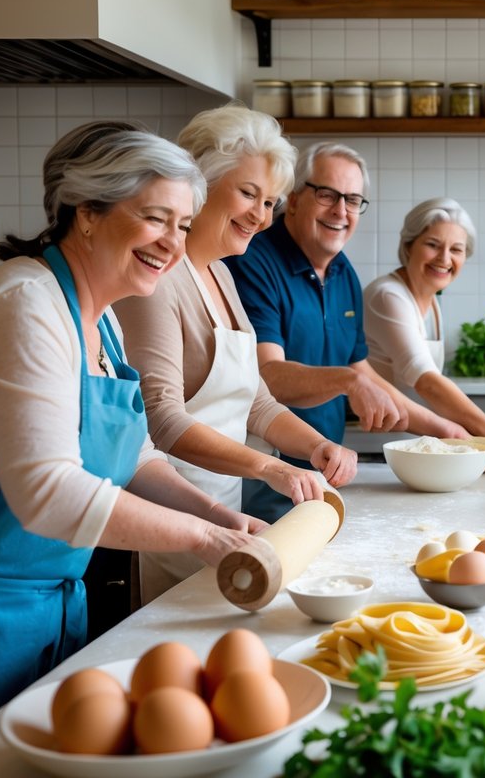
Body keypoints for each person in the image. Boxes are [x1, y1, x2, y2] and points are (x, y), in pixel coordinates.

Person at [0, 122, 267, 723]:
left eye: (183, 225)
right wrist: (205, 540)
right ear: (86, 211)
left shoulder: (101, 318)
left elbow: (131, 455)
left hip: (52, 611)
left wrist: (217, 515)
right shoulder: (26, 303)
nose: (174, 244)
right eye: (156, 218)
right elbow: (47, 494)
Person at [114, 105, 357, 603]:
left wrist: (314, 448)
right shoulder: (158, 283)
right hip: (175, 518)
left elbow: (257, 402)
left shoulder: (221, 274)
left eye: (270, 201)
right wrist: (271, 468)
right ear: (200, 184)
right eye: (248, 193)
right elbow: (160, 419)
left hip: (229, 515)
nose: (261, 216)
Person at [226, 142, 466, 523]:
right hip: (262, 475)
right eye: (327, 195)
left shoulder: (342, 271)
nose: (340, 211)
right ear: (295, 197)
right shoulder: (254, 261)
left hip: (322, 471)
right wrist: (349, 381)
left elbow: (361, 371)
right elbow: (268, 375)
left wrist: (444, 430)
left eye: (353, 200)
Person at [363, 198, 485, 437]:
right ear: (409, 246)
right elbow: (425, 380)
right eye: (433, 244)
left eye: (456, 249)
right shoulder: (388, 295)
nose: (444, 258)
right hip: (378, 438)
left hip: (412, 433)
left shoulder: (431, 300)